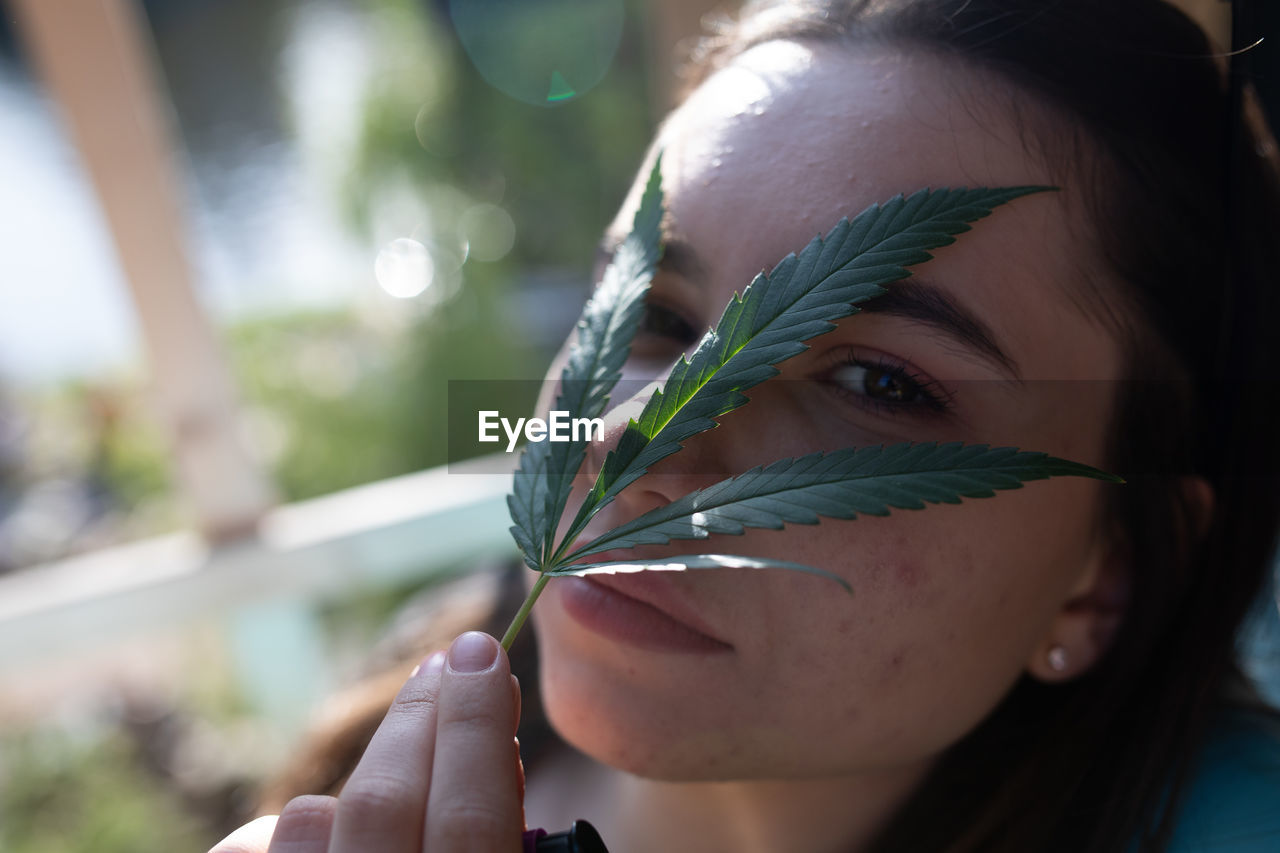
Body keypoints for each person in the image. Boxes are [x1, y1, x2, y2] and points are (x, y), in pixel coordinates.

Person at [211, 1, 1280, 850]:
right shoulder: (416, 688)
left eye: (879, 382)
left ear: (1106, 573)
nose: (628, 439)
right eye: (652, 313)